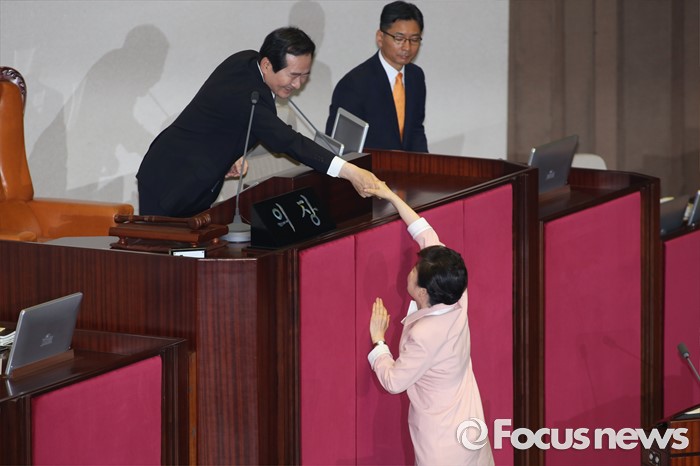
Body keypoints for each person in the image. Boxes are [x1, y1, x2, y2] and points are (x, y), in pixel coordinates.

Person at [136, 27, 380, 217]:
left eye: (305, 76)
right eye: (293, 75)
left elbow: (221, 117)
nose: (297, 84)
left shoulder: (246, 60)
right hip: (172, 181)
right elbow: (289, 141)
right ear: (267, 65)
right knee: (161, 259)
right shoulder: (250, 97)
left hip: (180, 169)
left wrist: (228, 153)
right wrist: (350, 171)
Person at [365, 182, 494, 465]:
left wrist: (379, 341)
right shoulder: (455, 292)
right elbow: (426, 234)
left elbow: (394, 381)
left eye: (414, 270)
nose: (410, 270)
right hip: (471, 427)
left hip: (442, 445)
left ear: (423, 291)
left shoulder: (424, 334)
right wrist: (389, 196)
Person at [325, 1, 428, 153]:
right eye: (399, 38)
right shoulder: (354, 84)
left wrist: (424, 164)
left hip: (405, 167)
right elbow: (341, 147)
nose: (407, 47)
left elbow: (416, 131)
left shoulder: (416, 77)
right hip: (369, 166)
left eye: (414, 39)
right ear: (380, 37)